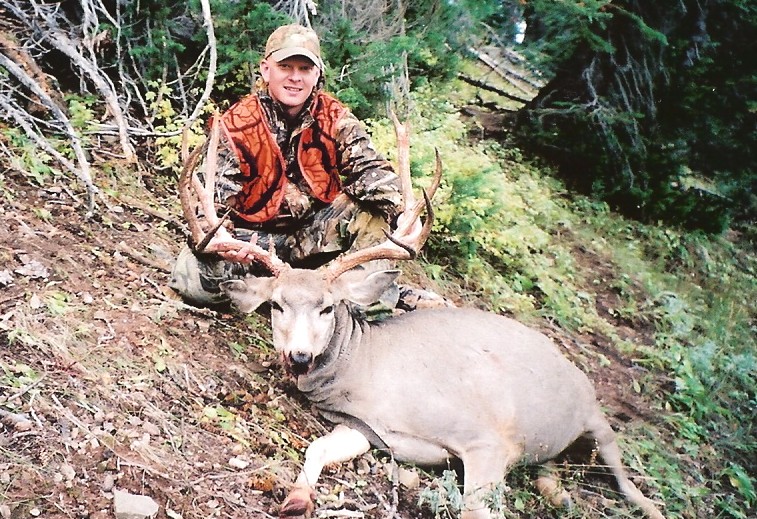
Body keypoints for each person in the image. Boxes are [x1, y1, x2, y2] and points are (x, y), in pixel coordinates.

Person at [169, 23, 418, 314]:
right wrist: (221, 239)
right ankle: (291, 296)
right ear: (266, 70)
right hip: (252, 245)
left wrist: (402, 215)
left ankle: (357, 309)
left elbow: (371, 171)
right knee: (195, 282)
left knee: (372, 216)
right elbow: (207, 206)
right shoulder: (236, 126)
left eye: (305, 68)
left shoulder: (335, 119)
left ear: (317, 74)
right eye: (285, 66)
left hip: (310, 239)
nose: (295, 78)